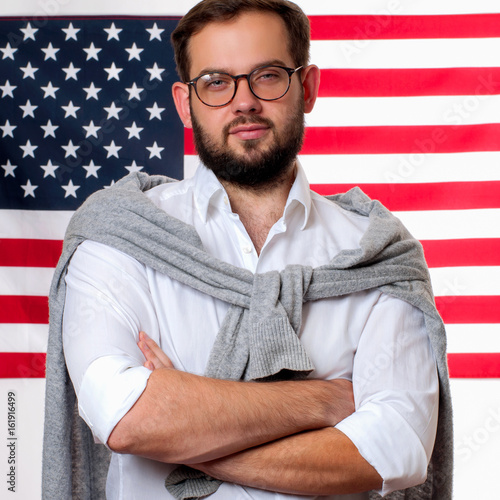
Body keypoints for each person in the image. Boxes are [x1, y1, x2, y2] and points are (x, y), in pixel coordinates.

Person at [42, 1, 453, 499]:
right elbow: (126, 417)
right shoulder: (121, 234)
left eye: (268, 76)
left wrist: (185, 429)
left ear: (307, 88)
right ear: (183, 102)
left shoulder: (376, 253)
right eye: (216, 82)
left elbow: (396, 450)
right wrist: (321, 402)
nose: (244, 103)